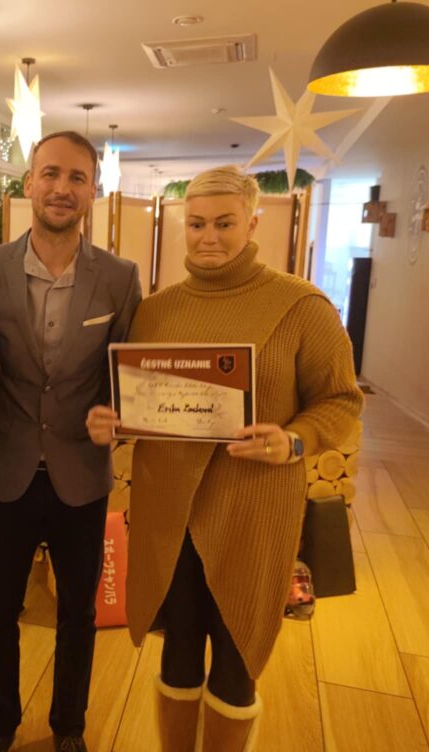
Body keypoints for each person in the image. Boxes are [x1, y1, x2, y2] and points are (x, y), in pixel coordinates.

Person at [86, 166, 363, 751]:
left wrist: (294, 440)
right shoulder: (156, 311)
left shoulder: (301, 306)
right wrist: (112, 420)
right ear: (180, 226)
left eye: (224, 223)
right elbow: (139, 398)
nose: (208, 237)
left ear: (253, 223)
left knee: (237, 659)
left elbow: (341, 401)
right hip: (169, 513)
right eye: (196, 224)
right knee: (178, 649)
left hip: (253, 508)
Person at [0, 131, 142, 752]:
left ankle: (70, 726)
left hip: (82, 474)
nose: (62, 188)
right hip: (7, 468)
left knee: (78, 613)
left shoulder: (119, 278)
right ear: (28, 184)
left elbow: (125, 374)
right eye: (50, 174)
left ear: (94, 191)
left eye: (76, 177)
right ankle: (0, 723)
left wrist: (116, 415)